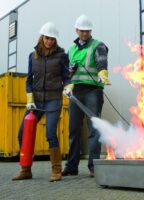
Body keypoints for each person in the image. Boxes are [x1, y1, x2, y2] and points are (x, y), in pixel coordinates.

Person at [12, 22, 70, 182]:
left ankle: (56, 170)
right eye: (46, 38)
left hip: (53, 100)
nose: (49, 41)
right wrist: (30, 98)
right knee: (22, 133)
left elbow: (66, 77)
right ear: (42, 37)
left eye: (52, 39)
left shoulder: (62, 56)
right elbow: (29, 80)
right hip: (36, 101)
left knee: (50, 133)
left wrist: (68, 87)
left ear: (55, 40)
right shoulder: (33, 56)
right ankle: (25, 169)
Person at [62, 15, 110, 177]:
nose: (84, 33)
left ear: (90, 31)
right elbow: (65, 71)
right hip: (75, 92)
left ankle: (94, 166)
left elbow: (101, 61)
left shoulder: (98, 45)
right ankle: (71, 166)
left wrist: (103, 73)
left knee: (94, 128)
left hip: (92, 91)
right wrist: (70, 69)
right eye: (82, 31)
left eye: (87, 31)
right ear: (77, 30)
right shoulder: (71, 49)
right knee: (73, 129)